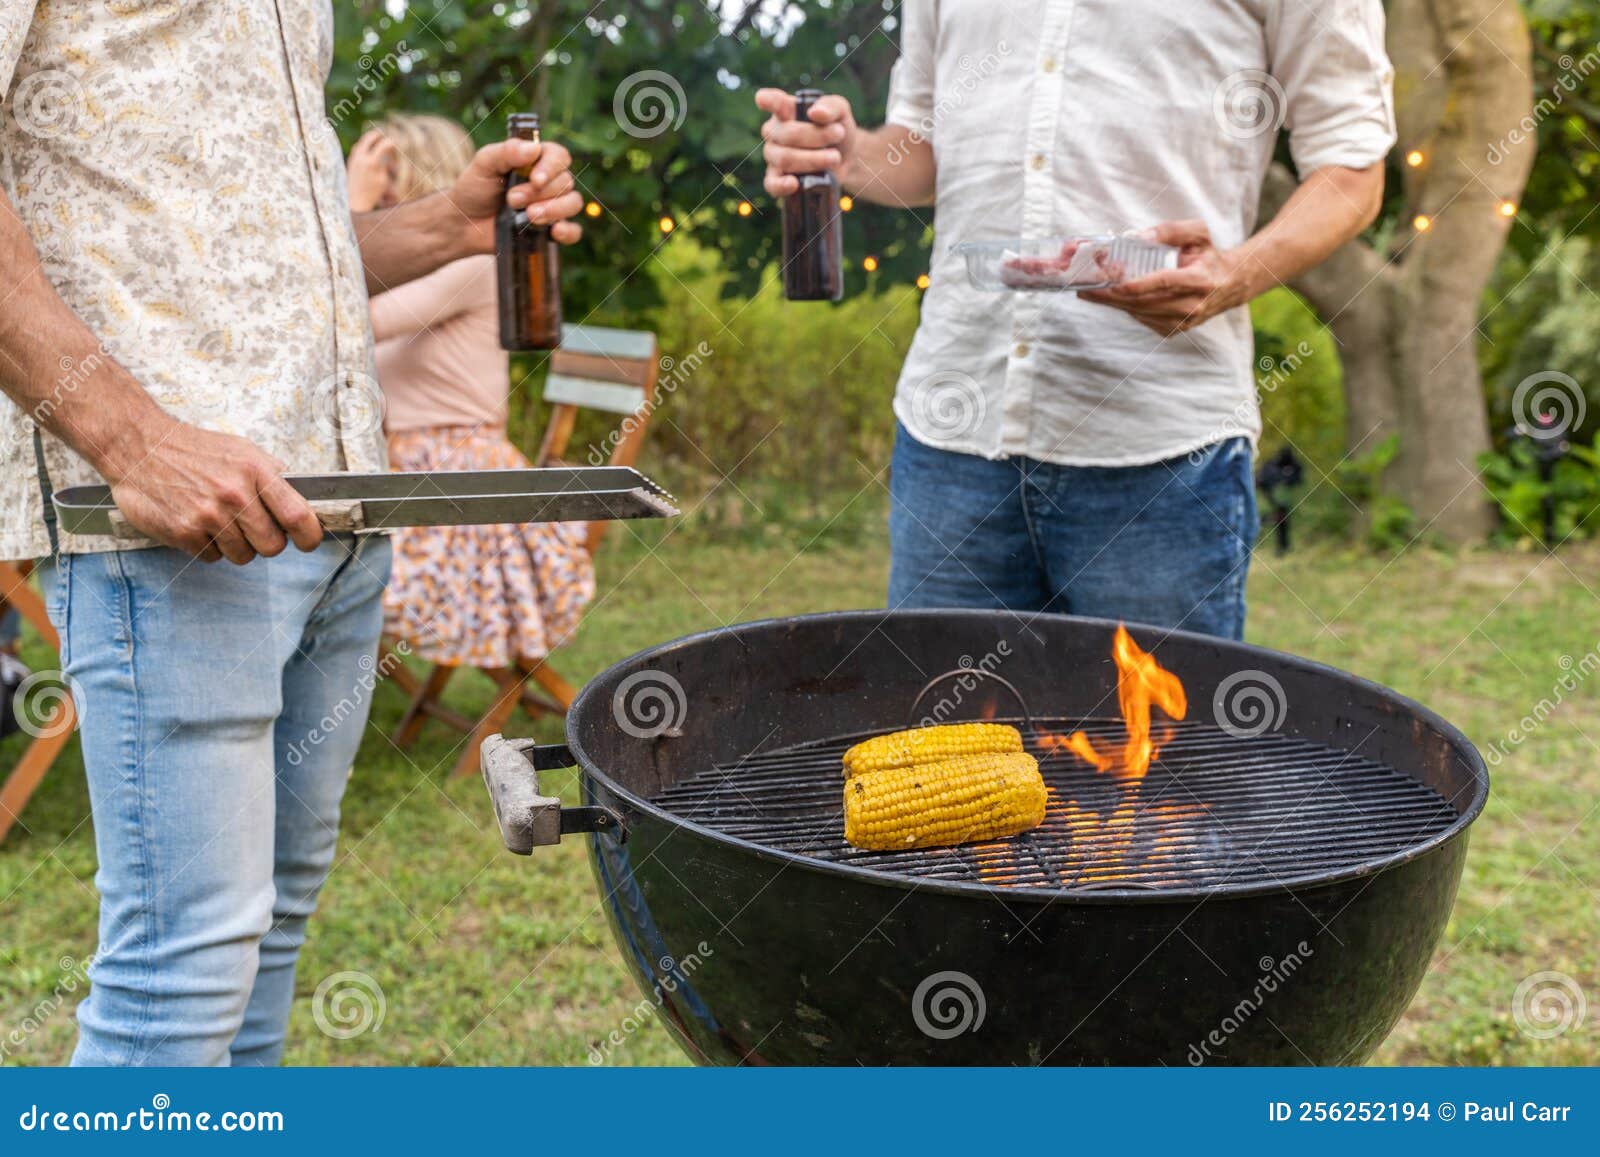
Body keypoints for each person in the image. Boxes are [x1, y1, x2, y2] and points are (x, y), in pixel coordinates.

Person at [0, 9, 582, 1065]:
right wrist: (134, 442)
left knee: (264, 941)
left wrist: (447, 224)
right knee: (181, 977)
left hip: (340, 516)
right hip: (174, 528)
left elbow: (266, 256)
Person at [756, 1, 1395, 640]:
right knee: (948, 737)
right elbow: (923, 147)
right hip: (954, 432)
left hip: (1162, 448)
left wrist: (1239, 272)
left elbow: (1355, 166)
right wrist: (852, 154)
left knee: (1162, 742)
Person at [345, 115, 594, 670]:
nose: (382, 194)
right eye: (374, 183)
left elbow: (344, 321)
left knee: (320, 576)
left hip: (460, 488)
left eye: (391, 178)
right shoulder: (419, 279)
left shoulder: (475, 264)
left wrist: (351, 210)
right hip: (407, 479)